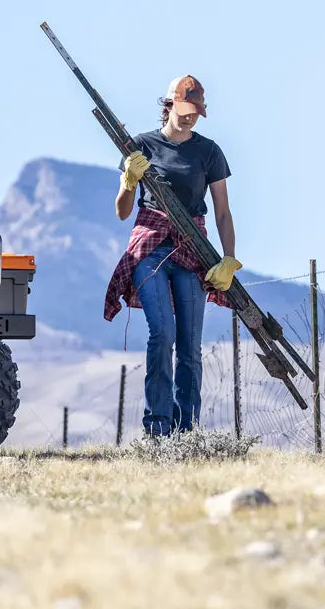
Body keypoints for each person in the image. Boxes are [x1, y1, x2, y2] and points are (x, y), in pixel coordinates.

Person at [103, 75, 241, 436]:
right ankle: (158, 427)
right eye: (184, 109)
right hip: (150, 245)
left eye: (196, 112)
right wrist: (129, 182)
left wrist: (228, 258)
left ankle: (187, 430)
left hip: (192, 249)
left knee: (190, 343)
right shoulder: (141, 146)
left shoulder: (209, 151)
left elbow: (223, 211)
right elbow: (122, 211)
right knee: (162, 333)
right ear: (169, 104)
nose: (190, 117)